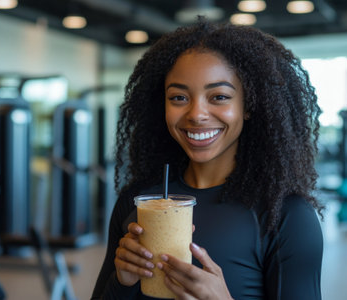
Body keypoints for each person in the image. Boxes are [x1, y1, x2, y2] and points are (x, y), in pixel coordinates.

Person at [92, 19, 324, 300]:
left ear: (248, 105)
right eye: (178, 97)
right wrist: (122, 281)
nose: (196, 114)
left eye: (219, 97)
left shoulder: (287, 216)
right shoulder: (137, 201)